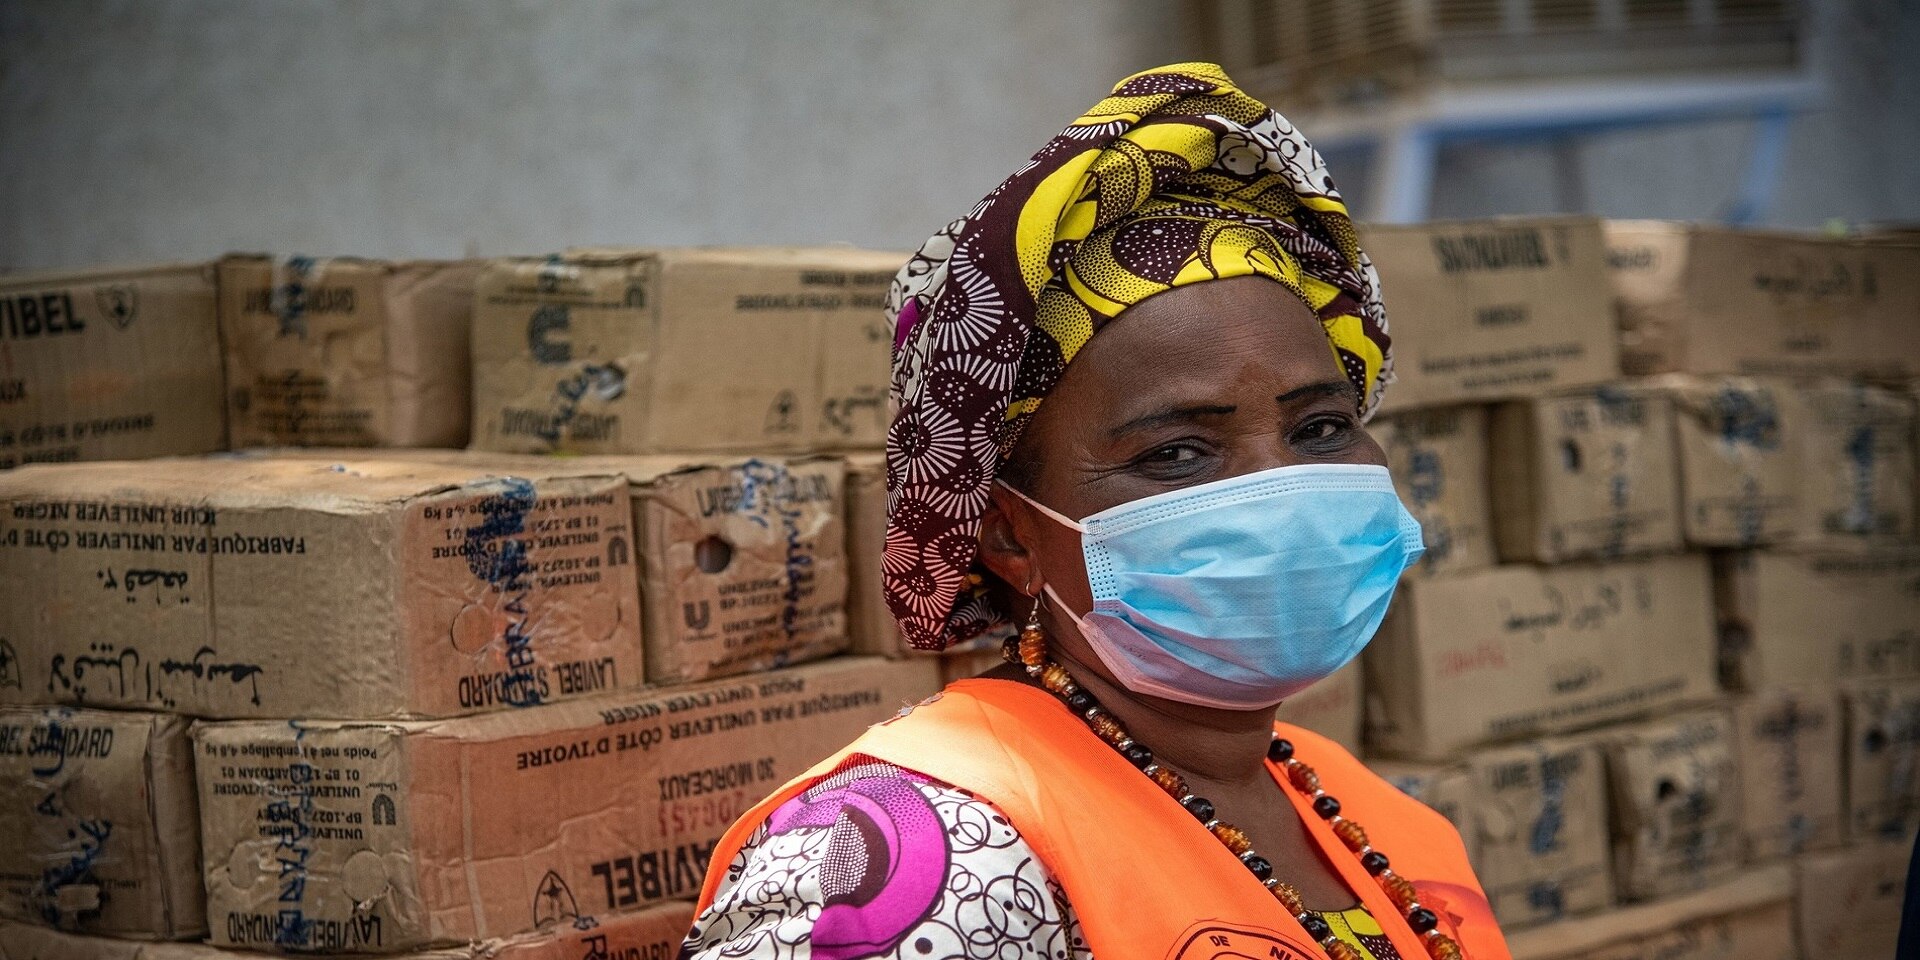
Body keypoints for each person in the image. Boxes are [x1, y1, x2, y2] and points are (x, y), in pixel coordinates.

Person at [680, 63, 1511, 960]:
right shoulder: (926, 856)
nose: (1280, 487)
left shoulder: (1361, 810)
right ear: (1007, 533)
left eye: (1319, 427)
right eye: (1176, 453)